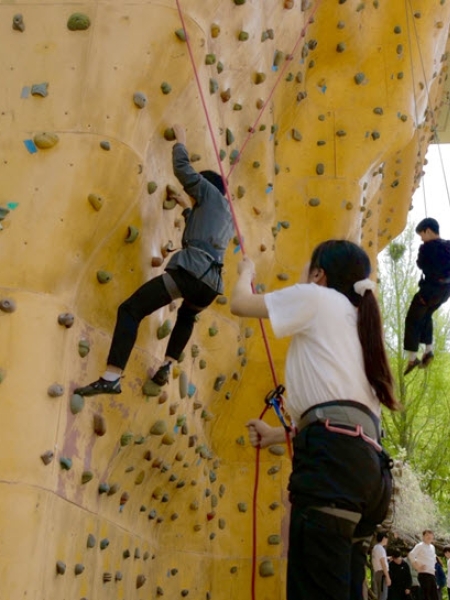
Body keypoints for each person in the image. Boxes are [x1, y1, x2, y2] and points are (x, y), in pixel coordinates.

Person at [230, 239, 398, 600]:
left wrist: (245, 272)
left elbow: (240, 303)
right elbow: (345, 412)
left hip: (333, 467)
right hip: (370, 473)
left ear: (319, 274)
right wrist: (277, 436)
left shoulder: (317, 297)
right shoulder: (360, 324)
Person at [75, 124, 234, 396]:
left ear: (206, 189)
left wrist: (181, 140)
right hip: (210, 286)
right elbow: (200, 230)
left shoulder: (208, 192)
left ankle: (112, 376)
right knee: (186, 316)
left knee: (130, 310)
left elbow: (183, 170)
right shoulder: (227, 218)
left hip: (190, 273)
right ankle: (168, 365)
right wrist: (185, 207)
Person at [403, 217, 450, 375]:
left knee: (413, 319)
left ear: (427, 230)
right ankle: (428, 350)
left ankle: (413, 358)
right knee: (426, 316)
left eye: (421, 234)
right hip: (445, 290)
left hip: (430, 289)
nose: (421, 238)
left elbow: (420, 264)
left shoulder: (426, 248)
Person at [408, 530, 438, 600]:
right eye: (427, 535)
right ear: (423, 536)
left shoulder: (432, 547)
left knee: (434, 595)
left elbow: (433, 559)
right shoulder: (420, 545)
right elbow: (411, 555)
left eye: (431, 535)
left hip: (432, 574)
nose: (429, 537)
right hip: (424, 573)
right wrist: (417, 566)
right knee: (426, 595)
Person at [372, 532, 392, 600]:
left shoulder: (375, 547)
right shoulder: (381, 549)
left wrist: (388, 558)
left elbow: (380, 558)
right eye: (386, 538)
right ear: (383, 538)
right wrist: (387, 576)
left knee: (380, 594)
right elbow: (383, 563)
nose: (387, 540)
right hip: (382, 573)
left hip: (377, 573)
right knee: (383, 595)